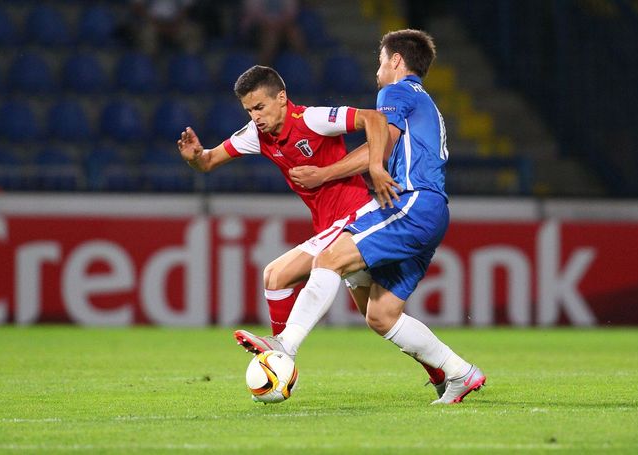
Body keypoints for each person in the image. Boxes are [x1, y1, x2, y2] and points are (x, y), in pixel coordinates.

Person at [234, 30, 486, 405]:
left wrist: (326, 173)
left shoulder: (396, 92)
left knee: (329, 258)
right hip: (432, 210)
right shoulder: (424, 100)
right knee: (381, 315)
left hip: (411, 201)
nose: (378, 70)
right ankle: (460, 373)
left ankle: (284, 345)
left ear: (397, 62)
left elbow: (381, 140)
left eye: (381, 61)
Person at [177, 64, 449, 386]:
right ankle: (442, 370)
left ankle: (281, 355)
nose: (255, 117)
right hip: (330, 227)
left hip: (357, 216)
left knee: (275, 276)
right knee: (380, 317)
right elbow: (208, 160)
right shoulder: (257, 135)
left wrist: (374, 165)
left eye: (260, 107)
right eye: (249, 110)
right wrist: (195, 156)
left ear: (282, 98)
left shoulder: (313, 119)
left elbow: (372, 119)